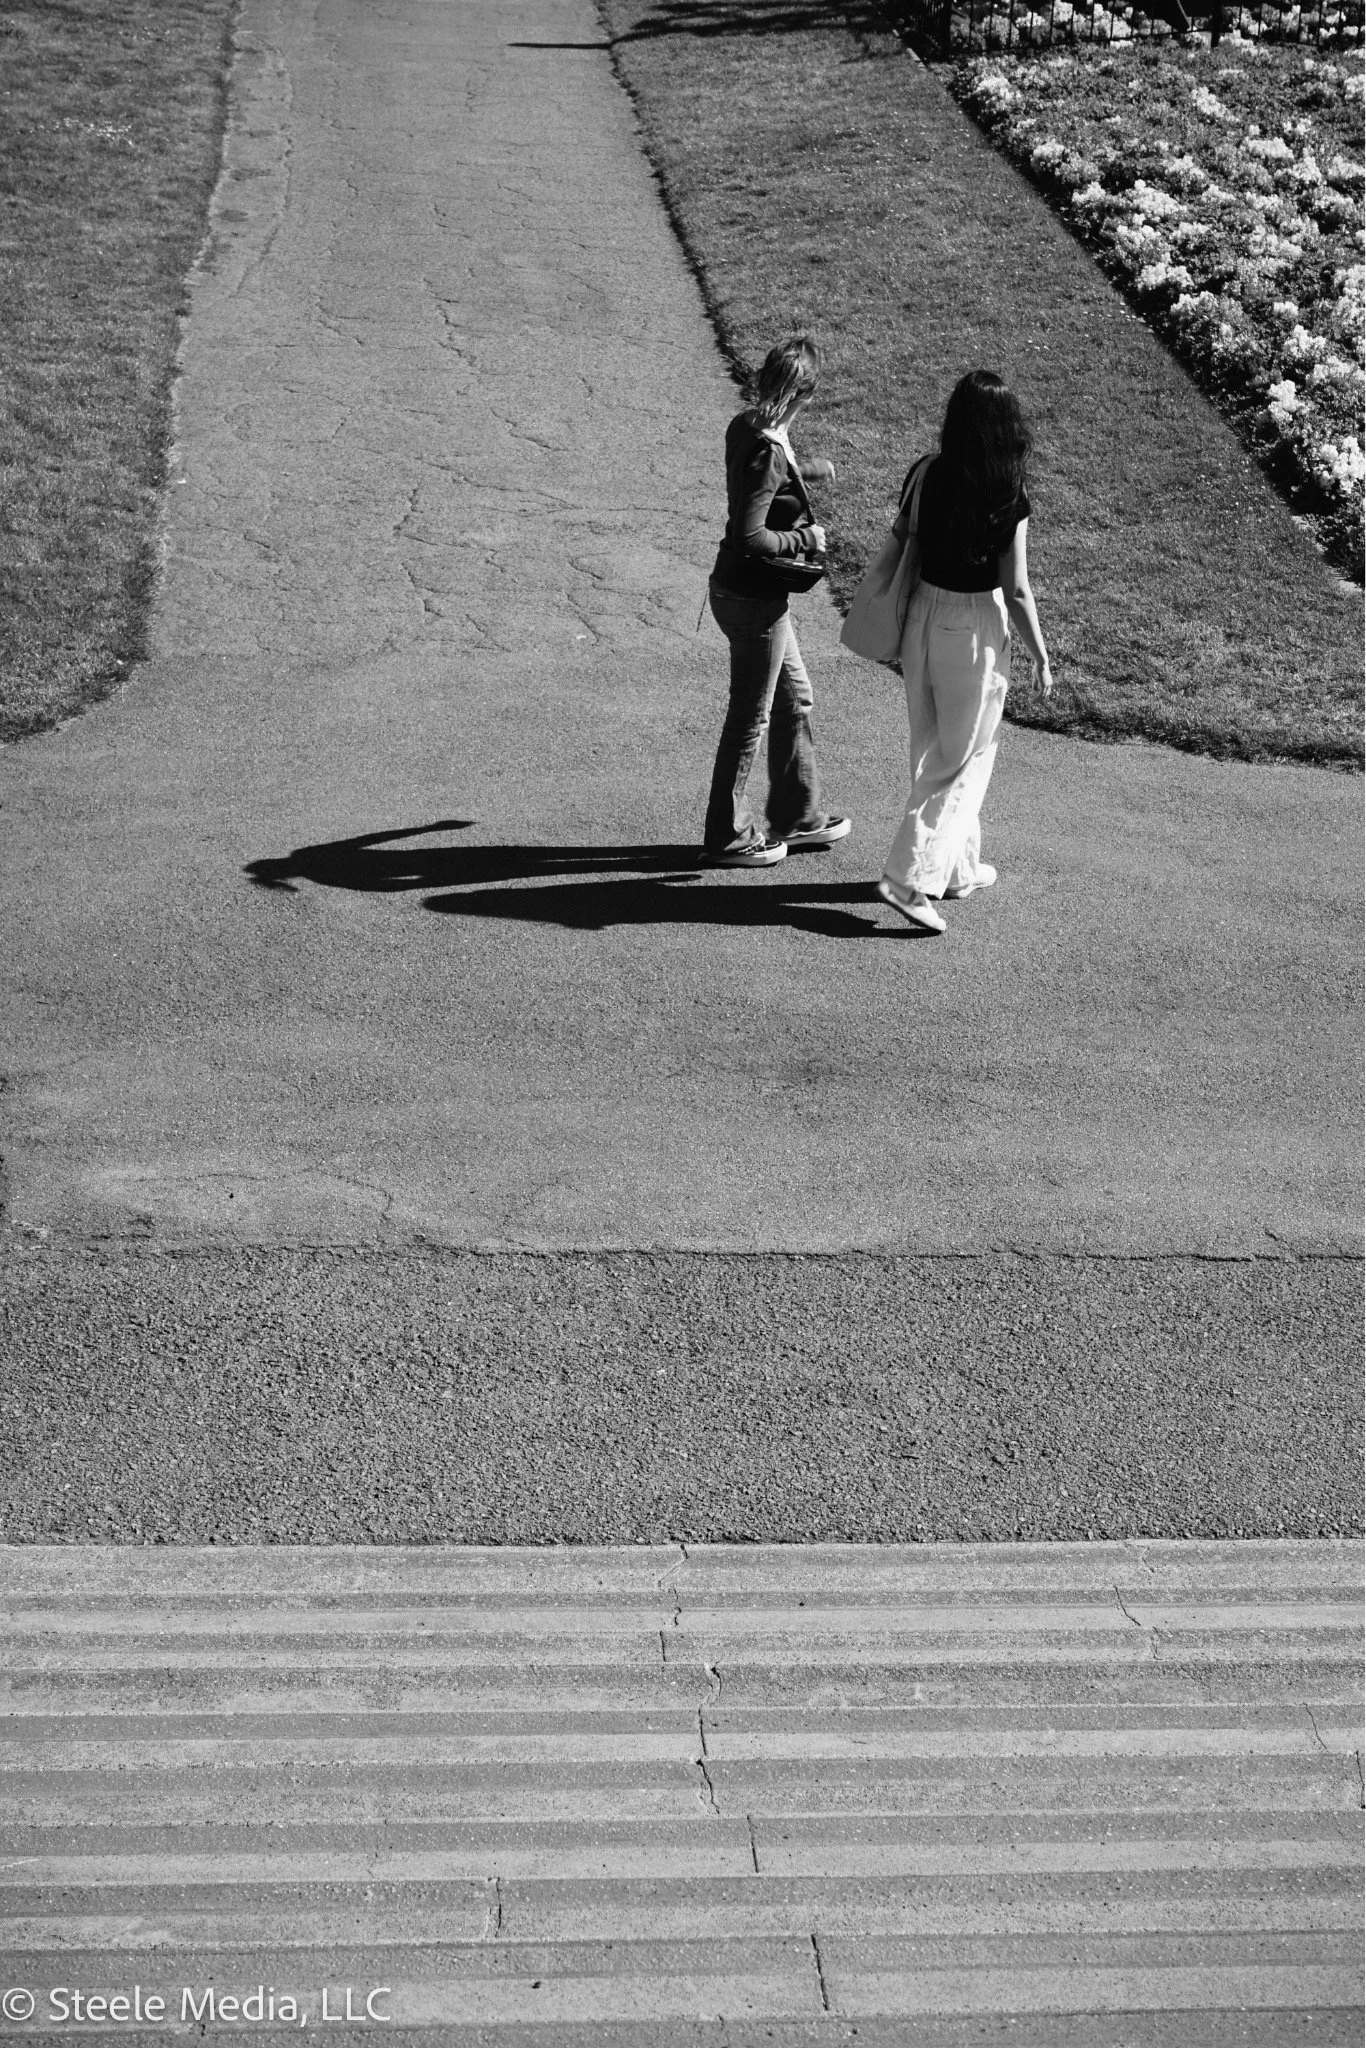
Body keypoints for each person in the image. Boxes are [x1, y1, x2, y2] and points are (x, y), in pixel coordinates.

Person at [877, 370, 1053, 935]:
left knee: (931, 745)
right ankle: (908, 878)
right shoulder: (1007, 491)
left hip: (921, 616)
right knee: (963, 761)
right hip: (973, 626)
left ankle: (958, 868)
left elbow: (905, 537)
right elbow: (1018, 589)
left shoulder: (926, 472)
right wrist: (1042, 655)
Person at [702, 336, 851, 867]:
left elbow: (759, 478)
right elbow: (751, 536)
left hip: (742, 594)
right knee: (751, 720)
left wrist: (804, 472)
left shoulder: (748, 425)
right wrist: (804, 540)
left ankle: (798, 817)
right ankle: (728, 836)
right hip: (753, 600)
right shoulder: (767, 447)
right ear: (803, 394)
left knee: (795, 699)